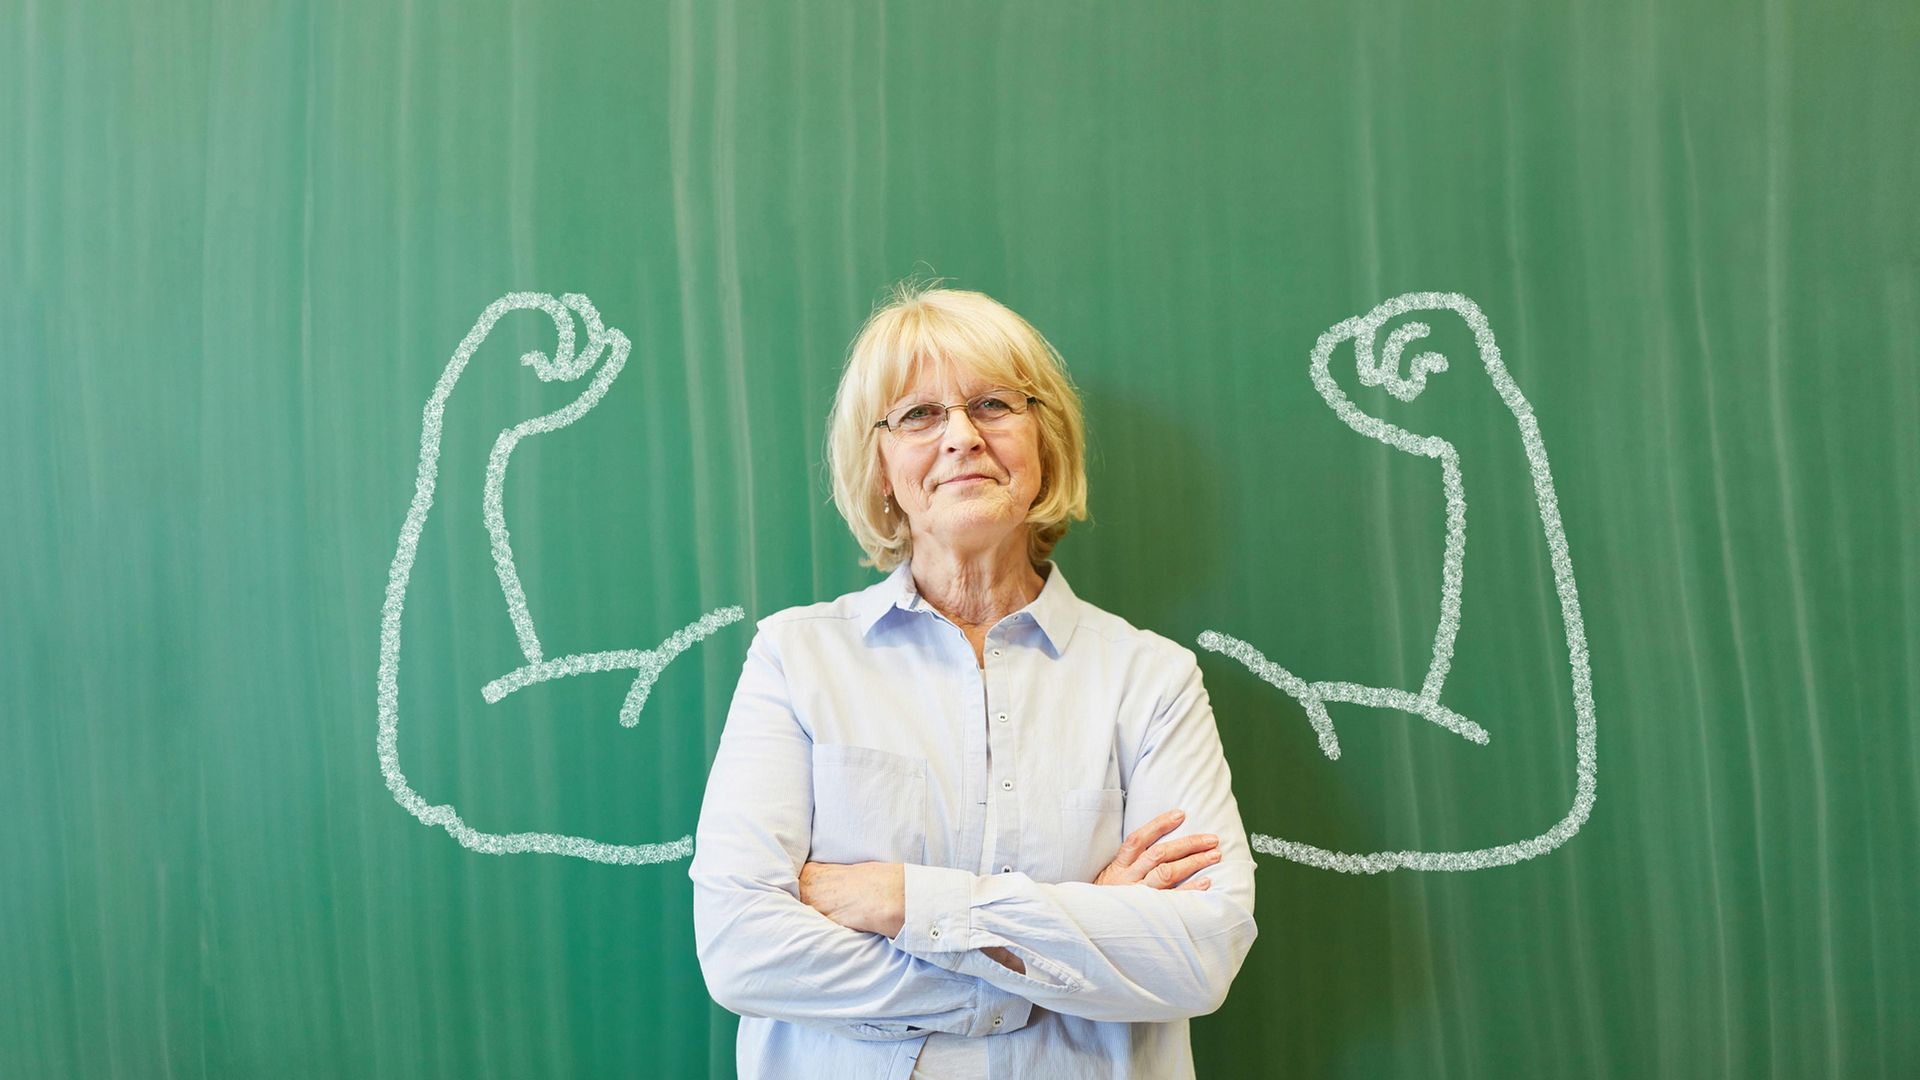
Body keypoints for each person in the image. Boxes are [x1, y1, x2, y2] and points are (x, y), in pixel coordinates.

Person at [689, 281, 1257, 1078]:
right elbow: (741, 951)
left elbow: (1200, 955)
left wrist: (901, 902)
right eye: (918, 415)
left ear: (1042, 444)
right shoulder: (795, 659)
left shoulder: (1151, 680)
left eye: (993, 404)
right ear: (881, 466)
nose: (961, 437)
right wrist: (1061, 944)